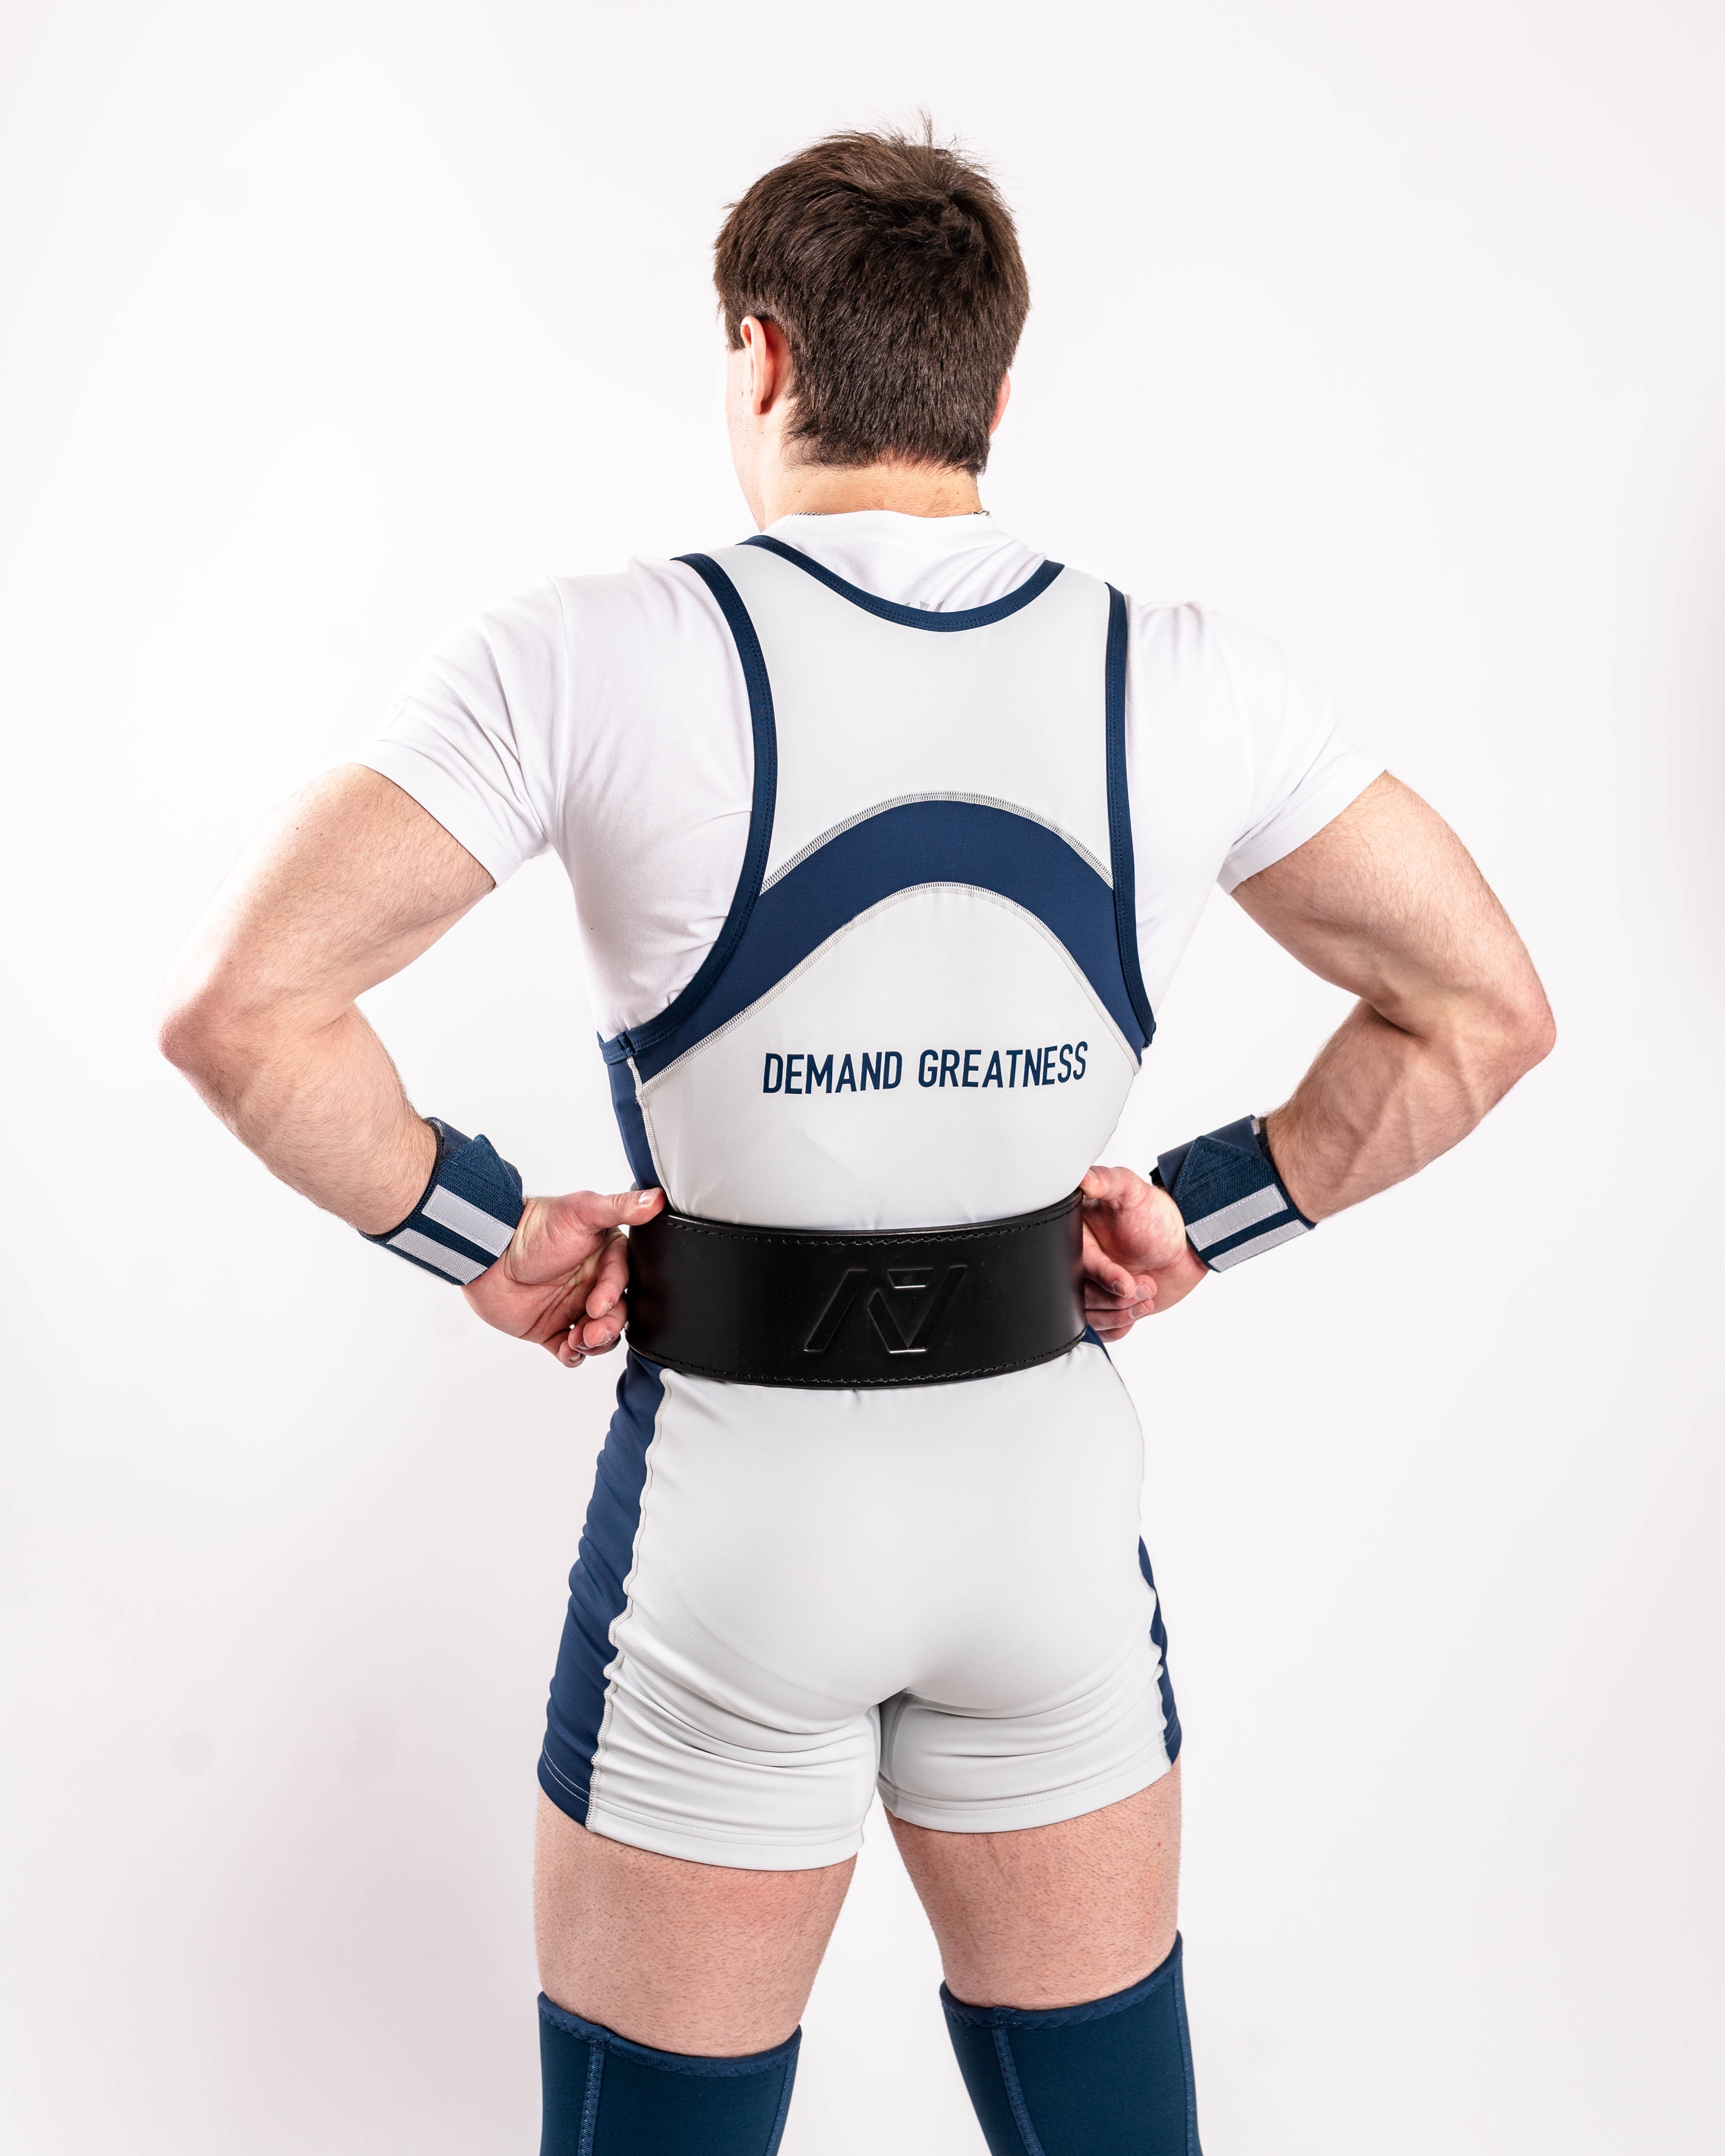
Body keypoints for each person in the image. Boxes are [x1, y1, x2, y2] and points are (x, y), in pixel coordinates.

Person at [158, 125, 1554, 2156]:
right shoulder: (1184, 677)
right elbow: (1483, 1009)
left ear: (761, 355)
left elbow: (246, 1010)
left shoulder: (594, 653)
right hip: (1043, 1521)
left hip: (735, 1529)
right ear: (997, 388)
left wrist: (487, 1234)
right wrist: (1204, 1218)